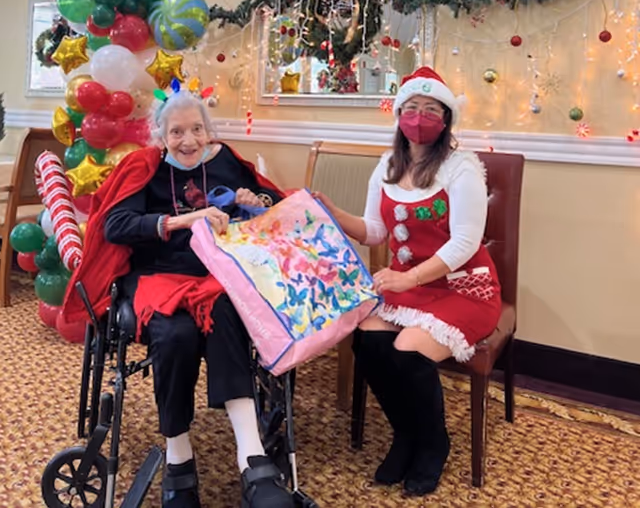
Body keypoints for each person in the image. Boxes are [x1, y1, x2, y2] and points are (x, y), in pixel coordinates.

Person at [62, 91, 295, 508]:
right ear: (160, 135)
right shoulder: (144, 167)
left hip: (215, 276)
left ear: (208, 131)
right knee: (173, 335)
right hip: (155, 278)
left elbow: (275, 206)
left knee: (225, 317)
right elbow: (116, 225)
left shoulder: (225, 161)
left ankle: (251, 457)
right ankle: (178, 458)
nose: (188, 140)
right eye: (177, 132)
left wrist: (255, 203)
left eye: (196, 129)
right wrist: (186, 219)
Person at [315, 67, 501, 497]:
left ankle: (434, 444)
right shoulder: (387, 164)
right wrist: (333, 213)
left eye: (431, 109)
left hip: (464, 288)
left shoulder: (461, 168)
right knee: (368, 339)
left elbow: (464, 243)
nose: (420, 117)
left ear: (446, 119)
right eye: (411, 109)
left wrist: (407, 278)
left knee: (407, 347)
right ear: (399, 114)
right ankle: (406, 434)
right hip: (411, 287)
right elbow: (375, 230)